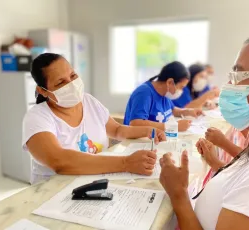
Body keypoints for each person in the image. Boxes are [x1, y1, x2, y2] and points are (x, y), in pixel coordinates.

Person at [159, 30, 249, 230]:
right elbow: (242, 182)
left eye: (240, 75)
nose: (229, 85)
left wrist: (178, 195)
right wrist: (215, 162)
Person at [23, 53, 166, 184]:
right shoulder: (37, 117)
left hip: (95, 183)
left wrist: (149, 131)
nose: (71, 84)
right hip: (54, 194)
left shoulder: (88, 101)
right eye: (61, 83)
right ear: (43, 91)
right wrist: (126, 163)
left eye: (73, 76)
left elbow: (116, 130)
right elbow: (59, 161)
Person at [124, 61, 202, 132]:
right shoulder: (144, 93)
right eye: (181, 87)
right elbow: (135, 123)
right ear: (170, 82)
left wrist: (188, 111)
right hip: (138, 142)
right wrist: (172, 126)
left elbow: (172, 110)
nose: (181, 91)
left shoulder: (165, 93)